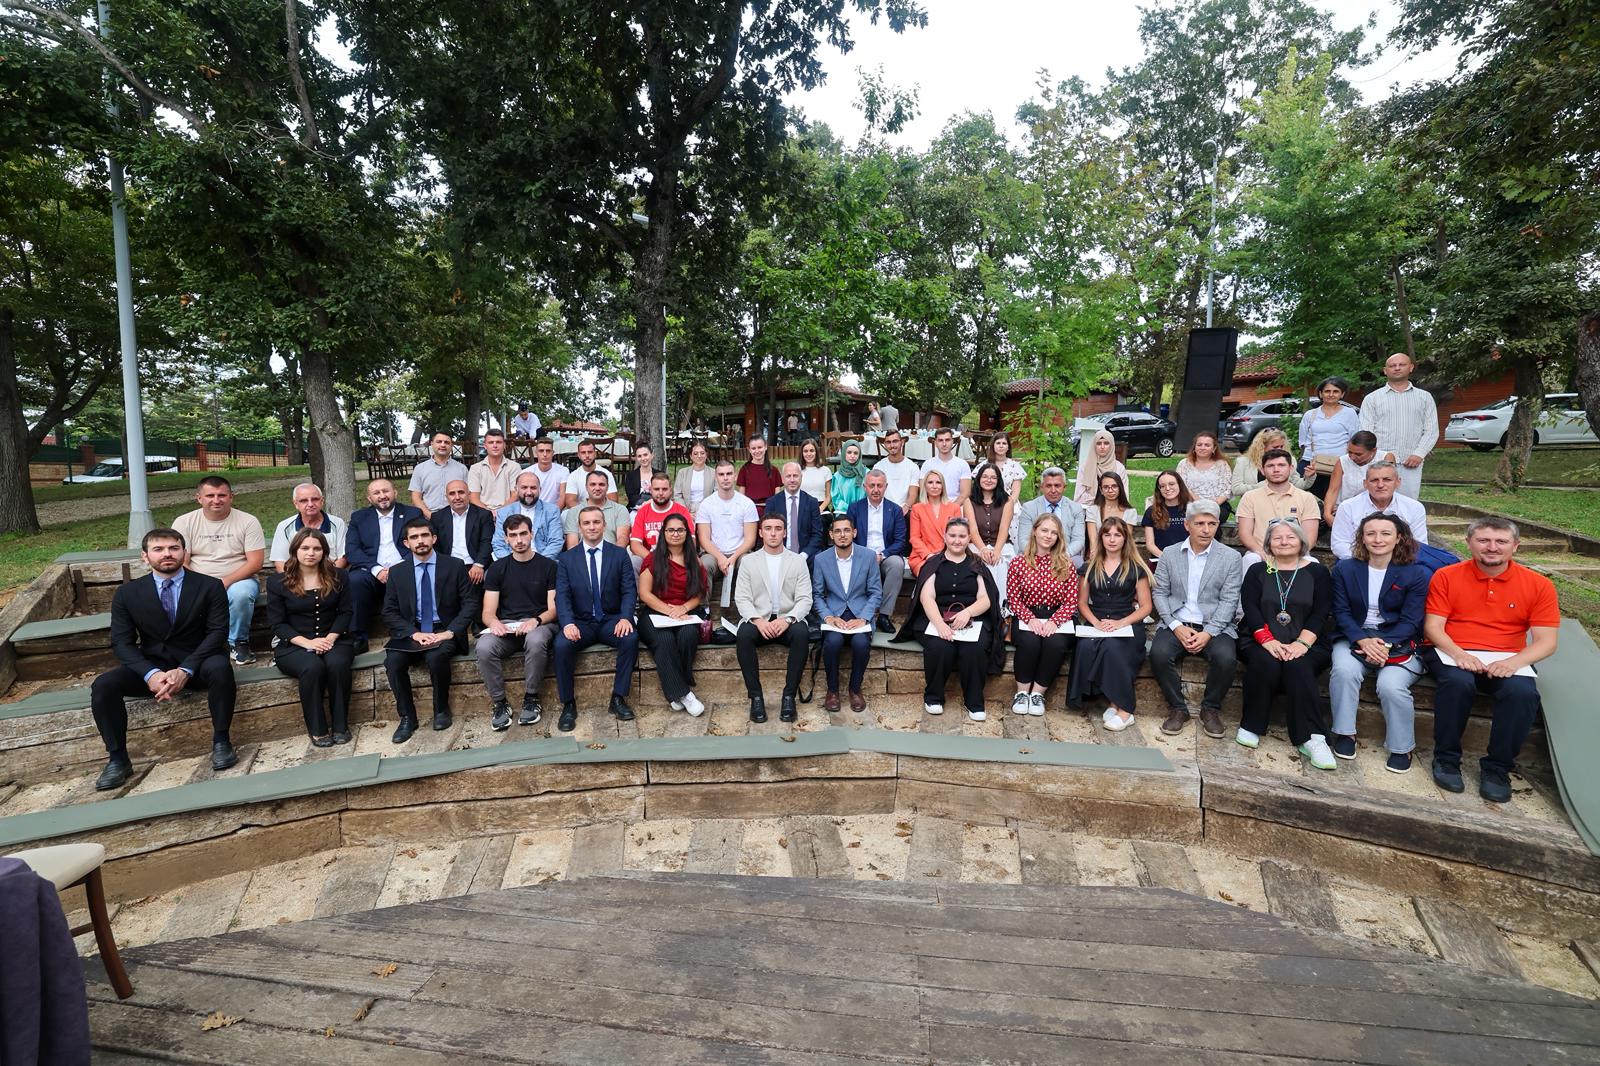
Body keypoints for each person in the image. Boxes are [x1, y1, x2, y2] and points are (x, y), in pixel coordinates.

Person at [1424, 516, 1559, 802]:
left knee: (1522, 693)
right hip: (1453, 651)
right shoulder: (1447, 576)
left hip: (1507, 656)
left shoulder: (1539, 585)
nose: (1492, 547)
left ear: (1515, 546)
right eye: (1483, 540)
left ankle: (1497, 768)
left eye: (1501, 541)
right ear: (1469, 543)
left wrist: (1513, 663)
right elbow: (1433, 627)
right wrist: (1459, 654)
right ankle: (1446, 759)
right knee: (1458, 683)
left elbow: (1547, 642)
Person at [89, 528, 237, 790]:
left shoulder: (209, 586)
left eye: (173, 548)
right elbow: (122, 642)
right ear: (145, 556)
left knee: (221, 668)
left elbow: (218, 633)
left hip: (198, 663)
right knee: (103, 685)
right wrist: (151, 674)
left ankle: (221, 741)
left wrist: (186, 669)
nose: (167, 554)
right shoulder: (127, 593)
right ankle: (118, 759)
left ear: (184, 552)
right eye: (158, 549)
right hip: (153, 667)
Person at [1329, 513, 1430, 773]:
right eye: (1370, 533)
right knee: (1344, 671)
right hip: (1354, 635)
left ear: (1399, 538)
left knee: (1390, 685)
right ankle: (1345, 733)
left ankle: (1401, 747)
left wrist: (1384, 645)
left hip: (1399, 639)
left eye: (1386, 533)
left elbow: (1412, 620)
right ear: (1362, 538)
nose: (1378, 539)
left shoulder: (1416, 574)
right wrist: (1363, 640)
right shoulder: (1345, 569)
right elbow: (1341, 612)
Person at [1237, 518, 1336, 768]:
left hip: (1308, 640)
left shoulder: (1317, 572)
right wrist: (1267, 640)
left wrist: (1302, 644)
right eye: (1277, 537)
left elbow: (1321, 612)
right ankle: (1251, 725)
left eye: (1290, 537)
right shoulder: (1258, 570)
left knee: (1297, 666)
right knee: (1265, 662)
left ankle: (1312, 737)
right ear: (1268, 543)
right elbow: (1250, 608)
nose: (1284, 541)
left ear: (1301, 541)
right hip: (1260, 638)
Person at [1149, 500, 1243, 739]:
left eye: (1212, 524)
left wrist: (1209, 632)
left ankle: (1210, 709)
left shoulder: (1230, 557)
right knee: (1158, 654)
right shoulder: (1170, 554)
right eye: (1200, 523)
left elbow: (1230, 600)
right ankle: (1178, 708)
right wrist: (1175, 625)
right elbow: (1159, 592)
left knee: (1226, 658)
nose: (1206, 529)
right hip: (1176, 621)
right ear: (1187, 525)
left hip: (1214, 624)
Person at [895, 516, 999, 723]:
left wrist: (968, 613)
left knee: (975, 649)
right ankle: (933, 697)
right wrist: (940, 625)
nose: (957, 540)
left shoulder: (977, 565)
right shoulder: (934, 563)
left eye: (962, 536)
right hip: (935, 618)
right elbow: (927, 597)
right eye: (952, 536)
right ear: (945, 537)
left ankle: (974, 702)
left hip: (972, 619)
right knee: (941, 647)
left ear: (969, 538)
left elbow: (986, 598)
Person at [382, 518, 476, 742]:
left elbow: (471, 603)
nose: (420, 541)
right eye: (414, 537)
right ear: (406, 543)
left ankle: (441, 710)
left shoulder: (454, 565)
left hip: (443, 629)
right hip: (412, 632)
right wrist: (413, 633)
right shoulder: (397, 572)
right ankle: (407, 718)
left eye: (424, 535)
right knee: (393, 662)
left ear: (433, 538)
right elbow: (389, 611)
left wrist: (450, 632)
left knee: (436, 657)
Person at [553, 505, 640, 732]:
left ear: (604, 525)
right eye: (586, 523)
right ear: (579, 527)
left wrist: (626, 617)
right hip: (581, 623)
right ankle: (568, 704)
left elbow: (629, 590)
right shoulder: (566, 559)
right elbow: (562, 596)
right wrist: (568, 623)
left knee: (630, 638)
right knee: (561, 644)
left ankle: (618, 698)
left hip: (611, 620)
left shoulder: (619, 554)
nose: (591, 527)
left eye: (596, 522)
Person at [267, 528, 355, 747]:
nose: (310, 553)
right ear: (295, 551)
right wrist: (308, 643)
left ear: (324, 551)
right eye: (305, 548)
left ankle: (341, 726)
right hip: (294, 645)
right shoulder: (278, 582)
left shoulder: (339, 576)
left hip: (334, 639)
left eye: (316, 548)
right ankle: (317, 729)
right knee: (312, 667)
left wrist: (330, 639)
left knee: (337, 664)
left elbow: (346, 612)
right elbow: (278, 624)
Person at [1068, 516, 1152, 732]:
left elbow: (1146, 607)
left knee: (1112, 646)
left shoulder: (1135, 568)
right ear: (1101, 538)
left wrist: (1120, 623)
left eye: (1117, 535)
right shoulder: (1089, 567)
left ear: (1125, 539)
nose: (1112, 539)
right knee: (1085, 646)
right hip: (1097, 621)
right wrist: (1095, 622)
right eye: (1107, 534)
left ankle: (1125, 709)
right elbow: (1081, 603)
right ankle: (1111, 702)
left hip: (1126, 624)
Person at [476, 513, 559, 731]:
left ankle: (531, 698)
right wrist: (494, 623)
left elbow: (554, 609)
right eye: (513, 535)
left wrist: (536, 620)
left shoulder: (549, 566)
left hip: (540, 624)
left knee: (535, 640)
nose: (519, 540)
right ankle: (500, 703)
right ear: (505, 539)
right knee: (483, 646)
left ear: (532, 534)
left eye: (523, 534)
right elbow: (487, 612)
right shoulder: (497, 568)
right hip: (508, 628)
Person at [172, 475, 265, 665]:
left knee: (241, 594)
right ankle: (193, 646)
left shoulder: (248, 521)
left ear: (231, 496)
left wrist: (224, 582)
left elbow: (255, 563)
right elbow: (181, 561)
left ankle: (238, 642)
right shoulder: (184, 522)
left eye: (222, 495)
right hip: (196, 580)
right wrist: (204, 585)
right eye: (210, 495)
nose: (216, 500)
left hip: (240, 579)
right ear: (199, 498)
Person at [733, 514, 813, 723]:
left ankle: (789, 697)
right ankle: (756, 698)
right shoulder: (748, 561)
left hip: (787, 619)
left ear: (785, 532)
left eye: (778, 528)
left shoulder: (797, 561)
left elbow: (805, 598)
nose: (773, 533)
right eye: (768, 528)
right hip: (759, 618)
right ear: (760, 533)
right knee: (743, 635)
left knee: (801, 634)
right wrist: (758, 621)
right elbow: (742, 598)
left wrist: (788, 619)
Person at [636, 513, 709, 717]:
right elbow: (644, 594)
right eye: (671, 530)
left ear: (687, 533)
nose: (675, 534)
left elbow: (700, 594)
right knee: (665, 640)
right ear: (663, 533)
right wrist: (669, 611)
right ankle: (685, 694)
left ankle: (675, 693)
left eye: (680, 530)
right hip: (655, 613)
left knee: (688, 635)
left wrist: (683, 608)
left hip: (686, 612)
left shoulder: (695, 561)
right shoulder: (653, 559)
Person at [1006, 514, 1079, 716]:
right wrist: (1030, 618)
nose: (1048, 536)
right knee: (1030, 642)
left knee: (1055, 644)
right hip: (1027, 615)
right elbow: (1013, 599)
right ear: (1035, 531)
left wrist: (1055, 621)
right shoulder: (1018, 563)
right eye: (1044, 530)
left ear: (1059, 537)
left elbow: (1071, 601)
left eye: (1054, 532)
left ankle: (1038, 694)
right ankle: (1022, 693)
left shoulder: (1066, 564)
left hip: (1059, 617)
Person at [810, 514, 882, 713]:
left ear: (854, 533)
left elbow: (875, 592)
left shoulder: (868, 556)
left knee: (861, 644)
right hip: (834, 614)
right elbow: (817, 594)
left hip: (860, 614)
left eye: (847, 530)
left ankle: (855, 689)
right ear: (831, 534)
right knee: (832, 643)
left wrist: (864, 618)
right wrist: (828, 617)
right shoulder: (821, 559)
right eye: (838, 531)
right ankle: (833, 690)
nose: (842, 535)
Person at [345, 478, 422, 651]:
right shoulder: (359, 518)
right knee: (355, 581)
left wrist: (398, 568)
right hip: (370, 570)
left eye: (386, 491)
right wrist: (377, 569)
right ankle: (358, 637)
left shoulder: (412, 514)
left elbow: (421, 544)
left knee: (413, 576)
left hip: (404, 567)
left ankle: (406, 633)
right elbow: (352, 550)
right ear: (369, 498)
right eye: (376, 493)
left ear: (395, 492)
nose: (382, 496)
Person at [1359, 352, 1439, 499]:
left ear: (1411, 367)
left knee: (1408, 504)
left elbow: (1431, 430)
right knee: (1377, 501)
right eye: (1392, 365)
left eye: (1401, 364)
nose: (1397, 368)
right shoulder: (1372, 399)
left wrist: (1419, 453)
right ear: (1385, 370)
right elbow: (1366, 432)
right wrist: (1377, 456)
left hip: (1411, 461)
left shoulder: (1424, 398)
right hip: (1380, 462)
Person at [847, 470, 910, 633]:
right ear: (865, 487)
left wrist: (882, 555)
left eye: (879, 486)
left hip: (886, 555)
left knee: (897, 564)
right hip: (861, 555)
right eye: (872, 486)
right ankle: (857, 612)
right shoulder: (855, 509)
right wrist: (866, 556)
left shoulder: (895, 510)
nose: (876, 490)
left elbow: (900, 541)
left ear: (886, 487)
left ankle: (884, 615)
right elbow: (849, 537)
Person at [1328, 460, 1429, 561]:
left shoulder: (1414, 507)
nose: (1380, 485)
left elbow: (1420, 545)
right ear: (1365, 484)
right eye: (1374, 480)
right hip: (1358, 560)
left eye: (1387, 480)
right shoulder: (1347, 507)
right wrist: (1371, 561)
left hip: (1400, 562)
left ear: (1398, 482)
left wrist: (1390, 562)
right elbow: (1339, 544)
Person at [1235, 449, 1321, 557]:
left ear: (1291, 468)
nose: (1276, 470)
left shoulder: (1307, 498)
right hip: (1260, 553)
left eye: (1281, 465)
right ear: (1262, 470)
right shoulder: (1249, 497)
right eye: (1270, 466)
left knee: (1312, 562)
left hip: (1297, 554)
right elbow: (1245, 533)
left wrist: (1293, 556)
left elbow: (1310, 537)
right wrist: (1262, 554)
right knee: (1250, 558)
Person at [696, 460, 759, 608]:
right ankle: (703, 610)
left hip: (740, 553)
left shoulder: (746, 503)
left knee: (749, 563)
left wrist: (733, 557)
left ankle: (749, 610)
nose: (725, 478)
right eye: (721, 474)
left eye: (729, 474)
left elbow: (750, 539)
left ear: (735, 476)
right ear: (716, 477)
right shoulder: (706, 504)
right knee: (704, 565)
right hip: (713, 553)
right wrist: (720, 557)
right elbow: (704, 539)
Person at [1010, 467, 1087, 569]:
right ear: (1042, 487)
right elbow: (1023, 540)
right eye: (1048, 486)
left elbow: (1078, 540)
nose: (1053, 490)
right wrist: (1041, 557)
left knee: (1078, 564)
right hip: (1034, 554)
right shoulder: (1029, 508)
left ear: (1064, 487)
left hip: (1065, 554)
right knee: (1021, 564)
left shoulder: (1075, 508)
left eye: (1057, 486)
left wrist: (1062, 555)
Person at [962, 462, 1014, 609]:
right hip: (977, 545)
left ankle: (1002, 607)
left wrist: (996, 551)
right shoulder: (969, 501)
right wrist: (983, 549)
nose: (988, 480)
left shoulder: (1007, 501)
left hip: (1002, 545)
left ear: (998, 480)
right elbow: (973, 530)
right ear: (978, 479)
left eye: (993, 477)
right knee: (980, 563)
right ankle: (982, 607)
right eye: (985, 476)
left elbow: (1004, 529)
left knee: (1000, 563)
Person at [1299, 377, 1360, 498]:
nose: (1331, 394)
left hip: (1339, 464)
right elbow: (1302, 441)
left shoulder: (1350, 413)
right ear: (1320, 394)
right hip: (1311, 464)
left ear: (1342, 394)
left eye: (1335, 391)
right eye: (1327, 391)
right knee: (1309, 499)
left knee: (1335, 500)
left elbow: (1354, 439)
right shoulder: (1310, 415)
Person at [267, 482, 348, 573]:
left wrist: (327, 578)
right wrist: (294, 580)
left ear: (322, 501)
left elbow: (343, 558)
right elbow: (280, 562)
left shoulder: (338, 524)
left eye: (315, 499)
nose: (310, 504)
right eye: (304, 500)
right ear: (295, 504)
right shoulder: (284, 526)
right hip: (296, 577)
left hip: (330, 575)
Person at [429, 479, 494, 584]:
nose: (457, 497)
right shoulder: (437, 517)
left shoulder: (483, 515)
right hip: (449, 566)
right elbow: (435, 546)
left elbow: (486, 542)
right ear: (446, 497)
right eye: (452, 494)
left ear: (469, 494)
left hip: (475, 566)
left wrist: (479, 565)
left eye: (461, 492)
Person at [492, 471, 564, 560]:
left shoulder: (551, 511)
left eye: (533, 488)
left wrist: (539, 563)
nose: (529, 492)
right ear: (516, 489)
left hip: (543, 561)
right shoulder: (504, 512)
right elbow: (498, 543)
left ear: (540, 489)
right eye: (524, 487)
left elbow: (556, 542)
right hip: (512, 561)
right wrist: (512, 563)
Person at [630, 472, 693, 572]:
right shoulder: (643, 512)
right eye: (656, 489)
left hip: (676, 557)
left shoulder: (681, 511)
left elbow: (691, 541)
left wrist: (673, 561)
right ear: (650, 490)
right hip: (650, 557)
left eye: (664, 489)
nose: (660, 493)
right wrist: (655, 560)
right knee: (634, 562)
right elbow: (635, 545)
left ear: (670, 490)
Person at [763, 462, 825, 563]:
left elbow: (817, 534)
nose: (792, 480)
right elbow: (767, 532)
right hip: (779, 553)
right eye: (788, 476)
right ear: (782, 479)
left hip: (805, 555)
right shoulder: (772, 503)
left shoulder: (812, 502)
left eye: (795, 476)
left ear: (801, 477)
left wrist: (804, 555)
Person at [908, 470, 962, 576]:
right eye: (930, 482)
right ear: (925, 486)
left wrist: (946, 555)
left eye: (938, 482)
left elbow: (957, 536)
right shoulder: (917, 508)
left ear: (943, 486)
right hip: (923, 557)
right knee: (931, 574)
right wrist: (928, 555)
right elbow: (914, 538)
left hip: (948, 556)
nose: (934, 486)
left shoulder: (954, 508)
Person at [562, 470, 631, 549]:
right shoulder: (574, 512)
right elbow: (572, 545)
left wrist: (613, 555)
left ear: (607, 487)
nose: (597, 488)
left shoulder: (620, 510)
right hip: (582, 555)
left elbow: (622, 539)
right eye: (593, 484)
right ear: (586, 487)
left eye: (601, 484)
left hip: (612, 554)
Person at [1322, 431, 1378, 527]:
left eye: (1358, 454)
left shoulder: (1385, 458)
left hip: (1374, 511)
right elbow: (1333, 490)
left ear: (1374, 451)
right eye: (1349, 452)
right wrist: (1327, 514)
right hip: (1345, 511)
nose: (1352, 457)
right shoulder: (1342, 461)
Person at [1231, 428, 1307, 499]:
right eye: (1275, 447)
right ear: (1262, 446)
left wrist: (1309, 478)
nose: (1279, 450)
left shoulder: (1290, 460)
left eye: (1281, 446)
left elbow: (1297, 485)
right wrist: (1262, 485)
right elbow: (1236, 489)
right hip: (1254, 503)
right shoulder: (1243, 462)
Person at [408, 431, 469, 518]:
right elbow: (416, 497)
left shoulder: (462, 469)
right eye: (439, 442)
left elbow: (467, 495)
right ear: (432, 444)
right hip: (429, 515)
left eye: (447, 442)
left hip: (456, 516)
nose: (443, 445)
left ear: (451, 445)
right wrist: (430, 516)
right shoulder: (420, 469)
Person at [1176, 431, 1233, 521]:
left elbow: (1228, 489)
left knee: (1210, 517)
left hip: (1217, 505)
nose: (1202, 448)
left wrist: (1214, 503)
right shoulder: (1184, 464)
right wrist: (1197, 501)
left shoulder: (1222, 465)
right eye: (1199, 445)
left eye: (1207, 445)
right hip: (1190, 503)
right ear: (1194, 447)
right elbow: (1181, 485)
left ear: (1214, 448)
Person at [1141, 471, 1193, 559]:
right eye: (1162, 486)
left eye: (1171, 484)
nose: (1167, 488)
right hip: (1161, 559)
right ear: (1159, 489)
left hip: (1188, 559)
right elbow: (1150, 544)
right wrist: (1166, 558)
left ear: (1180, 485)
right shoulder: (1151, 511)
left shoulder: (1192, 509)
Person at [467, 428, 522, 511]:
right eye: (491, 442)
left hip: (508, 511)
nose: (495, 445)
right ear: (485, 446)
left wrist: (500, 512)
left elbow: (515, 495)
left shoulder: (514, 467)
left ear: (504, 445)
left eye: (498, 442)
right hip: (482, 512)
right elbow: (473, 497)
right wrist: (488, 512)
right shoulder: (475, 468)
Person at [1084, 471, 1140, 549]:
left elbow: (1125, 539)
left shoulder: (1130, 512)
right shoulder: (1092, 510)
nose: (1110, 490)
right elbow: (1093, 541)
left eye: (1114, 486)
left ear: (1120, 488)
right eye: (1106, 487)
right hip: (1098, 551)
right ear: (1101, 490)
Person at [1074, 429, 1126, 506]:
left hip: (1113, 508)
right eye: (1098, 443)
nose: (1102, 447)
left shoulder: (1119, 468)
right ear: (1094, 446)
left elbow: (1123, 495)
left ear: (1112, 445)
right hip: (1088, 508)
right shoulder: (1085, 467)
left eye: (1106, 443)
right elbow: (1079, 496)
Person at [920, 427, 973, 502]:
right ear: (935, 443)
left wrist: (952, 507)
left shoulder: (962, 464)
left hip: (956, 504)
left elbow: (965, 494)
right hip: (933, 504)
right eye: (940, 440)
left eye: (947, 440)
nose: (944, 444)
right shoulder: (927, 465)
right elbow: (923, 492)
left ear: (952, 441)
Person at [871, 429, 919, 508]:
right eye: (888, 442)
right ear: (885, 444)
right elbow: (876, 493)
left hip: (905, 509)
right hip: (884, 509)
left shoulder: (913, 467)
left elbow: (913, 495)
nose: (892, 445)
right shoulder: (878, 467)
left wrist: (905, 508)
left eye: (895, 441)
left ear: (902, 442)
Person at [562, 440, 617, 508]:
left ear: (595, 454)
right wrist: (587, 512)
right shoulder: (573, 476)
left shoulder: (607, 474)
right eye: (583, 453)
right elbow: (570, 502)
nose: (587, 455)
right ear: (578, 455)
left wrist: (598, 512)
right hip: (581, 512)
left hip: (603, 511)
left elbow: (613, 500)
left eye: (590, 452)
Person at [735, 436, 783, 509]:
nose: (757, 451)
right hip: (750, 509)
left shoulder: (774, 470)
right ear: (749, 450)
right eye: (753, 448)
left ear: (765, 447)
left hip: (769, 509)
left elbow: (777, 495)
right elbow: (742, 495)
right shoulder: (744, 470)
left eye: (760, 447)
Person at [672, 441, 715, 513]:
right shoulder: (682, 473)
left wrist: (705, 511)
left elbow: (716, 494)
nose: (699, 456)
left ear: (706, 455)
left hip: (708, 510)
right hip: (686, 510)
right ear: (691, 456)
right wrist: (686, 512)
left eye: (702, 453)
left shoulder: (714, 473)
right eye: (695, 453)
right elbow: (677, 495)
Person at [528, 438, 570, 510]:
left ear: (553, 453)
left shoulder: (563, 471)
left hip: (555, 510)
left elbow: (562, 497)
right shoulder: (527, 472)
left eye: (548, 451)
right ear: (536, 453)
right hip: (532, 510)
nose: (545, 454)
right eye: (541, 451)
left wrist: (553, 513)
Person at [829, 440, 868, 515]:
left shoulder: (866, 473)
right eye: (849, 452)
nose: (852, 456)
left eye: (856, 453)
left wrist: (859, 510)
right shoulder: (837, 476)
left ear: (859, 455)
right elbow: (836, 498)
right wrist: (850, 509)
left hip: (862, 512)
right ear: (844, 453)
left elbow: (869, 495)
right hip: (843, 513)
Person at [620, 441, 660, 510]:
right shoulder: (631, 476)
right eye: (639, 456)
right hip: (637, 508)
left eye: (645, 455)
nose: (643, 458)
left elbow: (663, 494)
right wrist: (644, 505)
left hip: (657, 507)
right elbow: (631, 497)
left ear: (652, 455)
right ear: (636, 458)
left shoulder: (659, 474)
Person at [987, 433, 1026, 498]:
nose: (1001, 446)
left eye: (1004, 443)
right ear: (993, 446)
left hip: (1009, 501)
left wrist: (1009, 503)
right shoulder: (984, 464)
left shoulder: (1015, 466)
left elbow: (1015, 492)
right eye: (998, 443)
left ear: (1008, 447)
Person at [797, 438, 831, 506]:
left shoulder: (825, 470)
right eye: (805, 451)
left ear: (816, 452)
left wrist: (819, 509)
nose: (809, 454)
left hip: (821, 506)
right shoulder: (797, 470)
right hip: (801, 506)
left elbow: (828, 497)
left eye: (812, 451)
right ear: (802, 453)